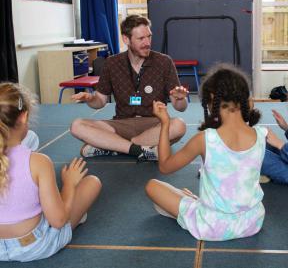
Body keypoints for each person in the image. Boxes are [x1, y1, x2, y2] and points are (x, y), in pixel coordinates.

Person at [145, 64, 267, 241]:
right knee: (186, 196)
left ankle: (191, 207)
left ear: (212, 102)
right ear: (245, 99)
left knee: (152, 186)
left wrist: (165, 123)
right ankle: (192, 202)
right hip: (252, 222)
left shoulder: (205, 139)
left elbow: (164, 166)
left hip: (213, 226)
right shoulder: (262, 134)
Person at [0, 83, 102, 262]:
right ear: (24, 117)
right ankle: (74, 213)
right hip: (35, 246)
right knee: (92, 183)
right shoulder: (39, 162)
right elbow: (58, 220)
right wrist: (69, 184)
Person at [70, 14, 188, 161]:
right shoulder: (112, 63)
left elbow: (180, 107)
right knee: (77, 125)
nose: (147, 43)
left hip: (154, 124)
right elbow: (100, 101)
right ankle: (139, 150)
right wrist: (90, 98)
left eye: (149, 37)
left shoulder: (164, 62)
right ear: (126, 39)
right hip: (120, 124)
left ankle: (113, 146)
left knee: (179, 125)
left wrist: (180, 99)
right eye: (141, 39)